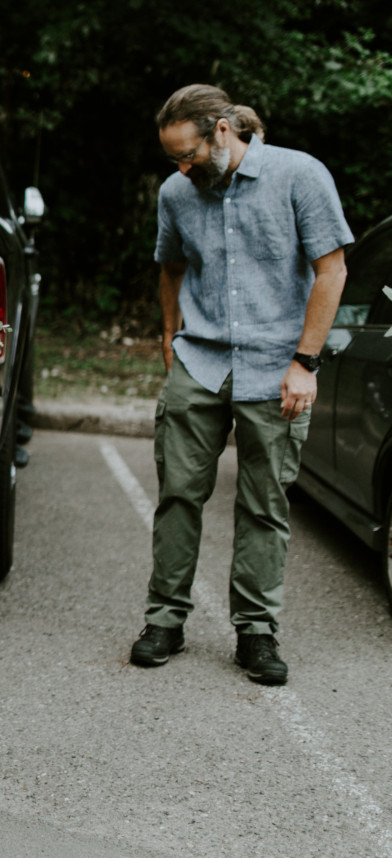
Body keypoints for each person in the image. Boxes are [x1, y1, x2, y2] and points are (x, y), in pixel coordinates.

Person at [130, 85, 352, 685]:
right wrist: (171, 346)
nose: (180, 168)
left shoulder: (300, 176)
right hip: (198, 366)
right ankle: (164, 621)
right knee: (178, 496)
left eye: (189, 154)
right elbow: (171, 269)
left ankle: (256, 631)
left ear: (222, 132)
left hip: (277, 367)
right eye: (172, 158)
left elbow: (332, 271)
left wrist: (305, 362)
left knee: (264, 504)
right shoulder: (178, 192)